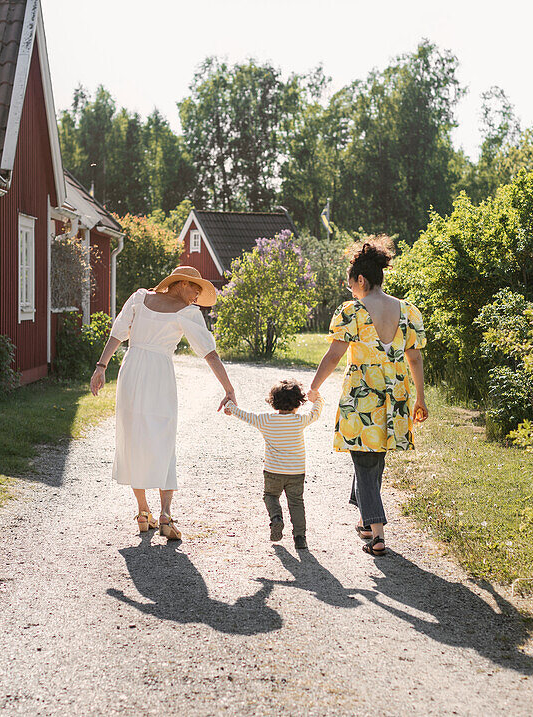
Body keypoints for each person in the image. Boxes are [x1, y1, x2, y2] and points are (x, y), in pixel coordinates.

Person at [90, 266, 236, 540]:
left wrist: (102, 366)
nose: (196, 296)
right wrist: (229, 389)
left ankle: (144, 512)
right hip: (158, 375)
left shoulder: (139, 299)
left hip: (132, 370)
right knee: (162, 441)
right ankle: (164, 516)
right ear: (181, 284)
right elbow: (210, 353)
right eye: (195, 289)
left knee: (134, 439)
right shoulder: (185, 312)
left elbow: (118, 333)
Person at [308, 237, 428, 556]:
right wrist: (420, 398)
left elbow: (334, 355)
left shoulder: (353, 312)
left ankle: (377, 534)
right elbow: (415, 358)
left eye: (352, 286)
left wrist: (315, 386)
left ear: (361, 279)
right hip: (396, 393)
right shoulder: (407, 310)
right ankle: (364, 518)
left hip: (364, 393)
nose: (351, 292)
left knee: (363, 460)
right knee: (374, 458)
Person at [223, 379, 325, 550]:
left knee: (270, 496)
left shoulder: (265, 420)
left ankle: (276, 518)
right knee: (296, 503)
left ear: (273, 402)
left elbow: (245, 415)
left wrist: (230, 406)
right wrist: (318, 399)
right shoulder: (299, 421)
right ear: (298, 403)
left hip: (273, 472)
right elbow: (315, 413)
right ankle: (300, 538)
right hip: (296, 472)